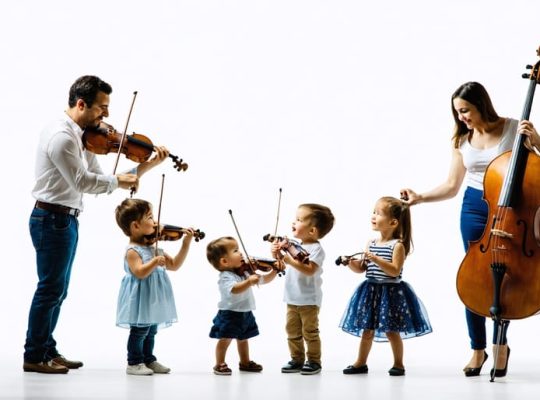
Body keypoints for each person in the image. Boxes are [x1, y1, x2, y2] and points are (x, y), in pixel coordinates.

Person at [25, 75, 169, 374]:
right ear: (81, 104)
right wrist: (118, 182)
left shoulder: (83, 136)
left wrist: (148, 164)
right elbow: (83, 182)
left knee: (58, 290)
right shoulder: (62, 137)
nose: (106, 115)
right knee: (50, 289)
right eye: (102, 108)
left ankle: (47, 349)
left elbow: (98, 175)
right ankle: (35, 355)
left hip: (65, 219)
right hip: (52, 219)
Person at [400, 81, 540, 378]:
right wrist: (421, 197)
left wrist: (537, 141)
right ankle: (478, 349)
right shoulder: (461, 139)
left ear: (481, 105)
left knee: (505, 280)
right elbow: (452, 186)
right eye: (458, 112)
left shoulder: (514, 128)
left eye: (465, 110)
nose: (462, 117)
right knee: (477, 278)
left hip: (512, 209)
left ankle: (500, 344)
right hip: (474, 208)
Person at [339, 196, 432, 376]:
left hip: (390, 293)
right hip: (371, 291)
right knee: (367, 331)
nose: (373, 216)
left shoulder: (397, 246)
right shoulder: (371, 243)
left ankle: (398, 364)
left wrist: (376, 259)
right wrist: (350, 263)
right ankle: (360, 362)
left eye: (378, 213)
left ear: (393, 222)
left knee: (392, 331)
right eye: (373, 212)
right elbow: (362, 268)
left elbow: (394, 271)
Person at [115, 198, 194, 375]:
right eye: (150, 217)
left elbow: (174, 265)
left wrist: (185, 244)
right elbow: (139, 272)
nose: (156, 222)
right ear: (135, 226)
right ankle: (134, 362)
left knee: (151, 330)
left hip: (153, 297)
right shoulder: (133, 251)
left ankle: (148, 359)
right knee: (140, 331)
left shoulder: (154, 247)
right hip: (140, 297)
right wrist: (154, 262)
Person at [270, 203, 335, 375]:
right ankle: (296, 359)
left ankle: (314, 361)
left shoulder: (316, 249)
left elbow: (310, 269)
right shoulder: (294, 246)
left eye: (299, 220)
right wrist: (276, 253)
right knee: (292, 331)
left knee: (310, 332)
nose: (294, 222)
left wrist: (290, 260)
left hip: (308, 300)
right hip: (292, 298)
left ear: (312, 231)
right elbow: (280, 264)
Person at [206, 237, 279, 375]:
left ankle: (245, 362)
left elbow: (263, 280)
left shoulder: (245, 271)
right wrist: (249, 282)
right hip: (230, 313)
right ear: (224, 261)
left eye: (239, 249)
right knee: (225, 339)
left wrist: (274, 270)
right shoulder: (226, 276)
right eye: (235, 250)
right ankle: (219, 363)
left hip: (245, 312)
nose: (241, 253)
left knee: (244, 338)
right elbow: (234, 289)